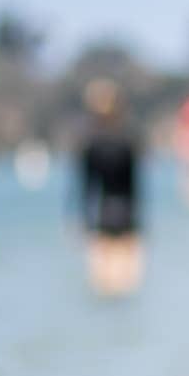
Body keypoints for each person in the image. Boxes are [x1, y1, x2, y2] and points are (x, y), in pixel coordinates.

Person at [74, 78, 145, 296]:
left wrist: (84, 221)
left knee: (104, 290)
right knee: (127, 289)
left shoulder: (89, 142)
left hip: (102, 216)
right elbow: (135, 185)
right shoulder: (129, 139)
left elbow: (86, 187)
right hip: (127, 215)